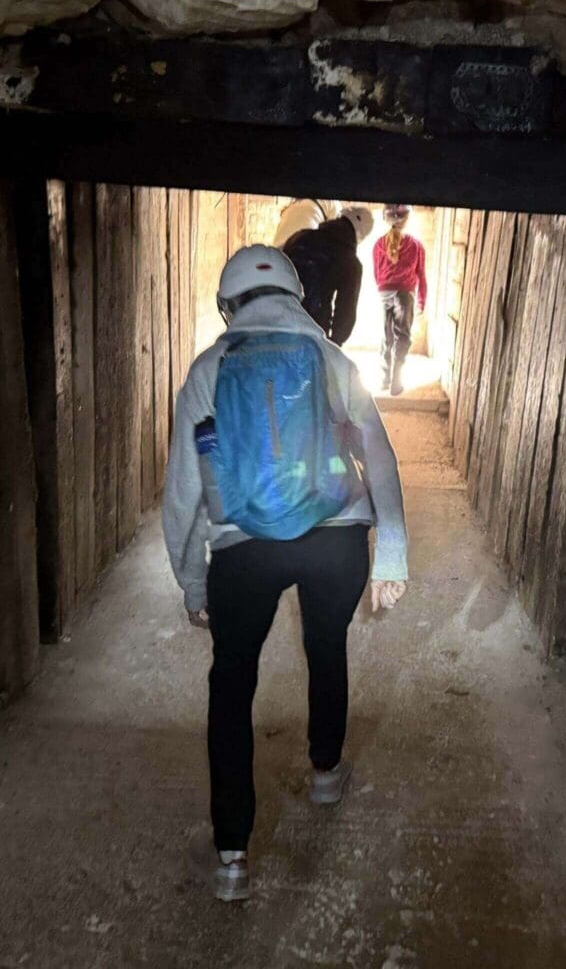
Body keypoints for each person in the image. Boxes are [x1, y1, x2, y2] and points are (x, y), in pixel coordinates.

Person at [162, 244, 410, 903]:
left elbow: (185, 494)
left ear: (229, 304)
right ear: (297, 299)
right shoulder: (331, 358)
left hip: (244, 551)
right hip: (335, 541)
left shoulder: (208, 370)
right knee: (325, 646)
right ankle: (325, 771)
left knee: (232, 684)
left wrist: (193, 583)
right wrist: (392, 553)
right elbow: (378, 456)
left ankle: (233, 856)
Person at [282, 205, 373, 347]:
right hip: (313, 329)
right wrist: (335, 343)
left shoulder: (300, 236)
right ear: (359, 236)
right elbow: (345, 312)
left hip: (281, 319)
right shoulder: (350, 262)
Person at [372, 204, 427, 395]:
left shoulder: (379, 244)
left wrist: (385, 288)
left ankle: (384, 379)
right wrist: (421, 301)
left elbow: (377, 274)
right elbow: (421, 275)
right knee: (402, 336)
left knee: (386, 335)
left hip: (384, 292)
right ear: (407, 220)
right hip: (405, 294)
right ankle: (396, 381)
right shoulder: (416, 245)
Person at [273, 198, 340, 248]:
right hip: (304, 249)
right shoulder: (333, 203)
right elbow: (335, 240)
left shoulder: (293, 203)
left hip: (278, 253)